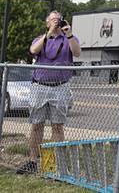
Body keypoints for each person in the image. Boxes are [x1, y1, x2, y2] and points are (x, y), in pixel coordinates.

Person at [17, 10, 81, 175]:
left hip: (60, 87)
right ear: (47, 23)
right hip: (40, 87)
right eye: (52, 20)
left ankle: (53, 163)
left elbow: (77, 53)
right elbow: (33, 50)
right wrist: (48, 34)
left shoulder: (69, 39)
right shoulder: (40, 39)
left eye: (58, 20)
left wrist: (69, 34)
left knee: (57, 127)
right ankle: (33, 161)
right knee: (36, 125)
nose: (56, 23)